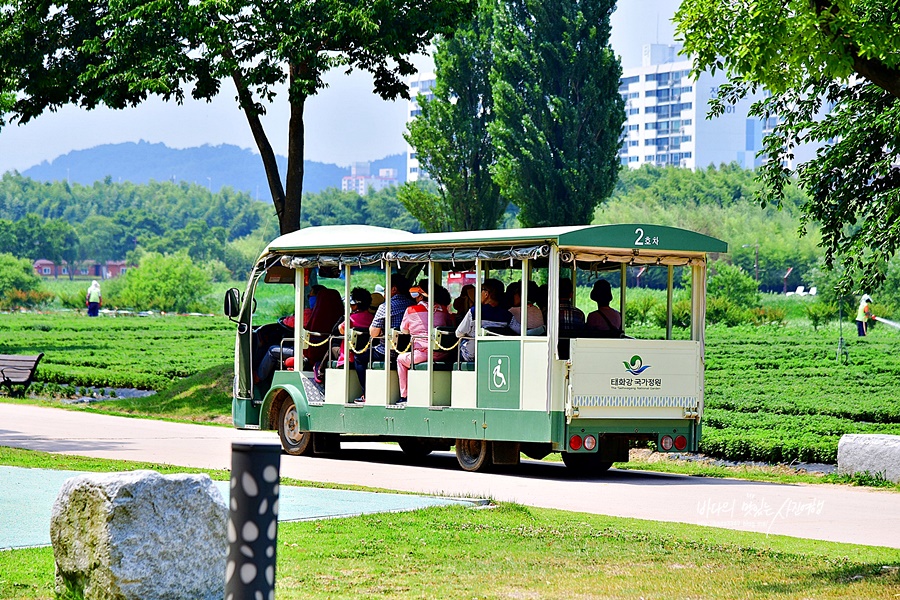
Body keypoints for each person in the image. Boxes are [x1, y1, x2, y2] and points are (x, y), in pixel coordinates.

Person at [354, 273, 414, 403]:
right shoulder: (411, 304)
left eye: (386, 288)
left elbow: (373, 333)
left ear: (394, 289)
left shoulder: (385, 306)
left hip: (387, 351)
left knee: (359, 358)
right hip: (408, 350)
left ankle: (366, 393)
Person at [396, 284, 454, 403]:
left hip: (422, 354)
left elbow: (404, 330)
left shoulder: (411, 310)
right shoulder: (443, 309)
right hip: (443, 353)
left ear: (420, 296)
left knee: (400, 359)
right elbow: (450, 326)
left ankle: (404, 396)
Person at [455, 278, 513, 362]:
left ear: (486, 294)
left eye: (481, 290)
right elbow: (520, 330)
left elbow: (458, 333)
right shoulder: (507, 315)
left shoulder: (474, 311)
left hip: (473, 355)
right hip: (498, 353)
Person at [335, 287, 374, 367]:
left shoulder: (350, 318)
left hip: (348, 358)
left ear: (356, 305)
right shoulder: (372, 318)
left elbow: (339, 330)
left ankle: (319, 373)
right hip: (367, 355)